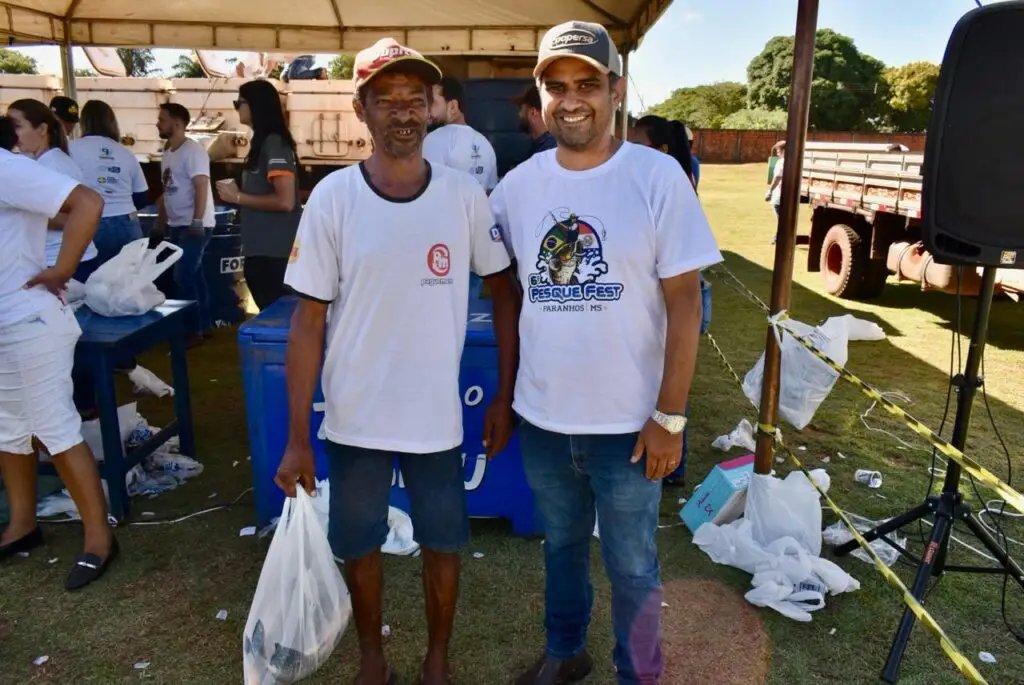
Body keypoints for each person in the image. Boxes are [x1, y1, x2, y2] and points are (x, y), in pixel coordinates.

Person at [276, 38, 520, 685]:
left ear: (433, 106)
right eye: (387, 100)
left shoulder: (463, 196)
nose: (404, 112)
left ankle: (437, 657)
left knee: (445, 542)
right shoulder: (333, 198)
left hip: (435, 419)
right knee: (359, 543)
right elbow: (307, 321)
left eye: (416, 99)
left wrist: (504, 393)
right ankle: (372, 656)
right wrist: (297, 437)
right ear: (361, 109)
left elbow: (504, 289)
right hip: (355, 417)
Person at [489, 21, 722, 685]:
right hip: (544, 417)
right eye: (556, 86)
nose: (571, 100)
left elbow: (685, 303)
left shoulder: (656, 176)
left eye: (587, 84)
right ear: (541, 95)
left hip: (629, 426)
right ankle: (566, 652)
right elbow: (494, 275)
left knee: (633, 564)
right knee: (561, 547)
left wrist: (670, 416)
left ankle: (637, 673)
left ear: (615, 90)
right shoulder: (519, 185)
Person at [0, 116, 119, 590]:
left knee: (55, 428)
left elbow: (88, 202)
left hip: (29, 321)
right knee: (9, 429)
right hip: (7, 323)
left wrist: (62, 268)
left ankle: (99, 540)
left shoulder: (6, 167)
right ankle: (23, 525)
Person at [215, 80, 301, 310]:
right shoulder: (262, 143)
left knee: (279, 318)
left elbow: (285, 201)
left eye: (239, 103)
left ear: (256, 105)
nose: (236, 108)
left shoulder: (274, 143)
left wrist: (238, 197)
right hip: (263, 252)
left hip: (274, 254)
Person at [7, 99, 99, 272]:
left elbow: (76, 216)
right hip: (52, 258)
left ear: (42, 129)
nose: (11, 133)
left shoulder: (54, 164)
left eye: (17, 126)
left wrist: (21, 213)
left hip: (62, 261)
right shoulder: (37, 161)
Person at [153, 102, 216, 341]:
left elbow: (201, 185)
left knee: (183, 274)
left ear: (177, 123)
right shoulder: (168, 152)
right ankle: (203, 325)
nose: (158, 123)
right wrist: (160, 222)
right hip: (178, 224)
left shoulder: (194, 151)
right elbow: (167, 191)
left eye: (162, 119)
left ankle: (192, 330)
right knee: (194, 274)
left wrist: (197, 221)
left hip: (194, 225)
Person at [69, 100, 150, 282]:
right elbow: (142, 196)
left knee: (92, 285)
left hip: (89, 223)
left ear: (84, 122)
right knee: (127, 286)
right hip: (127, 223)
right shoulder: (126, 153)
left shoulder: (71, 149)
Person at [423, 76, 499, 192]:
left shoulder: (434, 140)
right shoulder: (485, 144)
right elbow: (490, 192)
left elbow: (427, 191)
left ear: (453, 106)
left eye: (432, 102)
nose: (427, 109)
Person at [630, 114, 695, 186]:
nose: (629, 150)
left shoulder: (669, 181)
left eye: (638, 147)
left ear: (663, 149)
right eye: (629, 145)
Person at [512, 84, 557, 157]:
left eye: (521, 108)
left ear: (533, 113)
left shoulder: (547, 152)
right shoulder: (550, 146)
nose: (519, 114)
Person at [765, 140, 786, 244]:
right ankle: (778, 238)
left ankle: (779, 238)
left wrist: (770, 191)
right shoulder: (791, 161)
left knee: (781, 219)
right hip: (786, 195)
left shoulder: (781, 162)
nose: (777, 151)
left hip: (779, 195)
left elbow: (777, 177)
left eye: (779, 149)